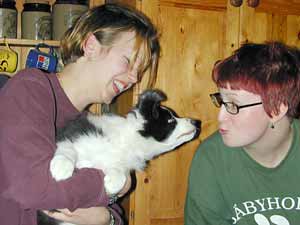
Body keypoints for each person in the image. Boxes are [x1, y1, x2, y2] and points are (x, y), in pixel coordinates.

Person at [0, 3, 160, 225]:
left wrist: (107, 218)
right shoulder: (30, 89)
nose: (134, 79)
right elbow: (34, 187)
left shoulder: (90, 124)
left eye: (139, 72)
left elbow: (111, 214)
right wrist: (114, 185)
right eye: (128, 62)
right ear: (91, 46)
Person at [184, 42, 300, 225]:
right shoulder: (211, 157)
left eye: (233, 105)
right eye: (221, 101)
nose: (220, 116)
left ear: (276, 110)